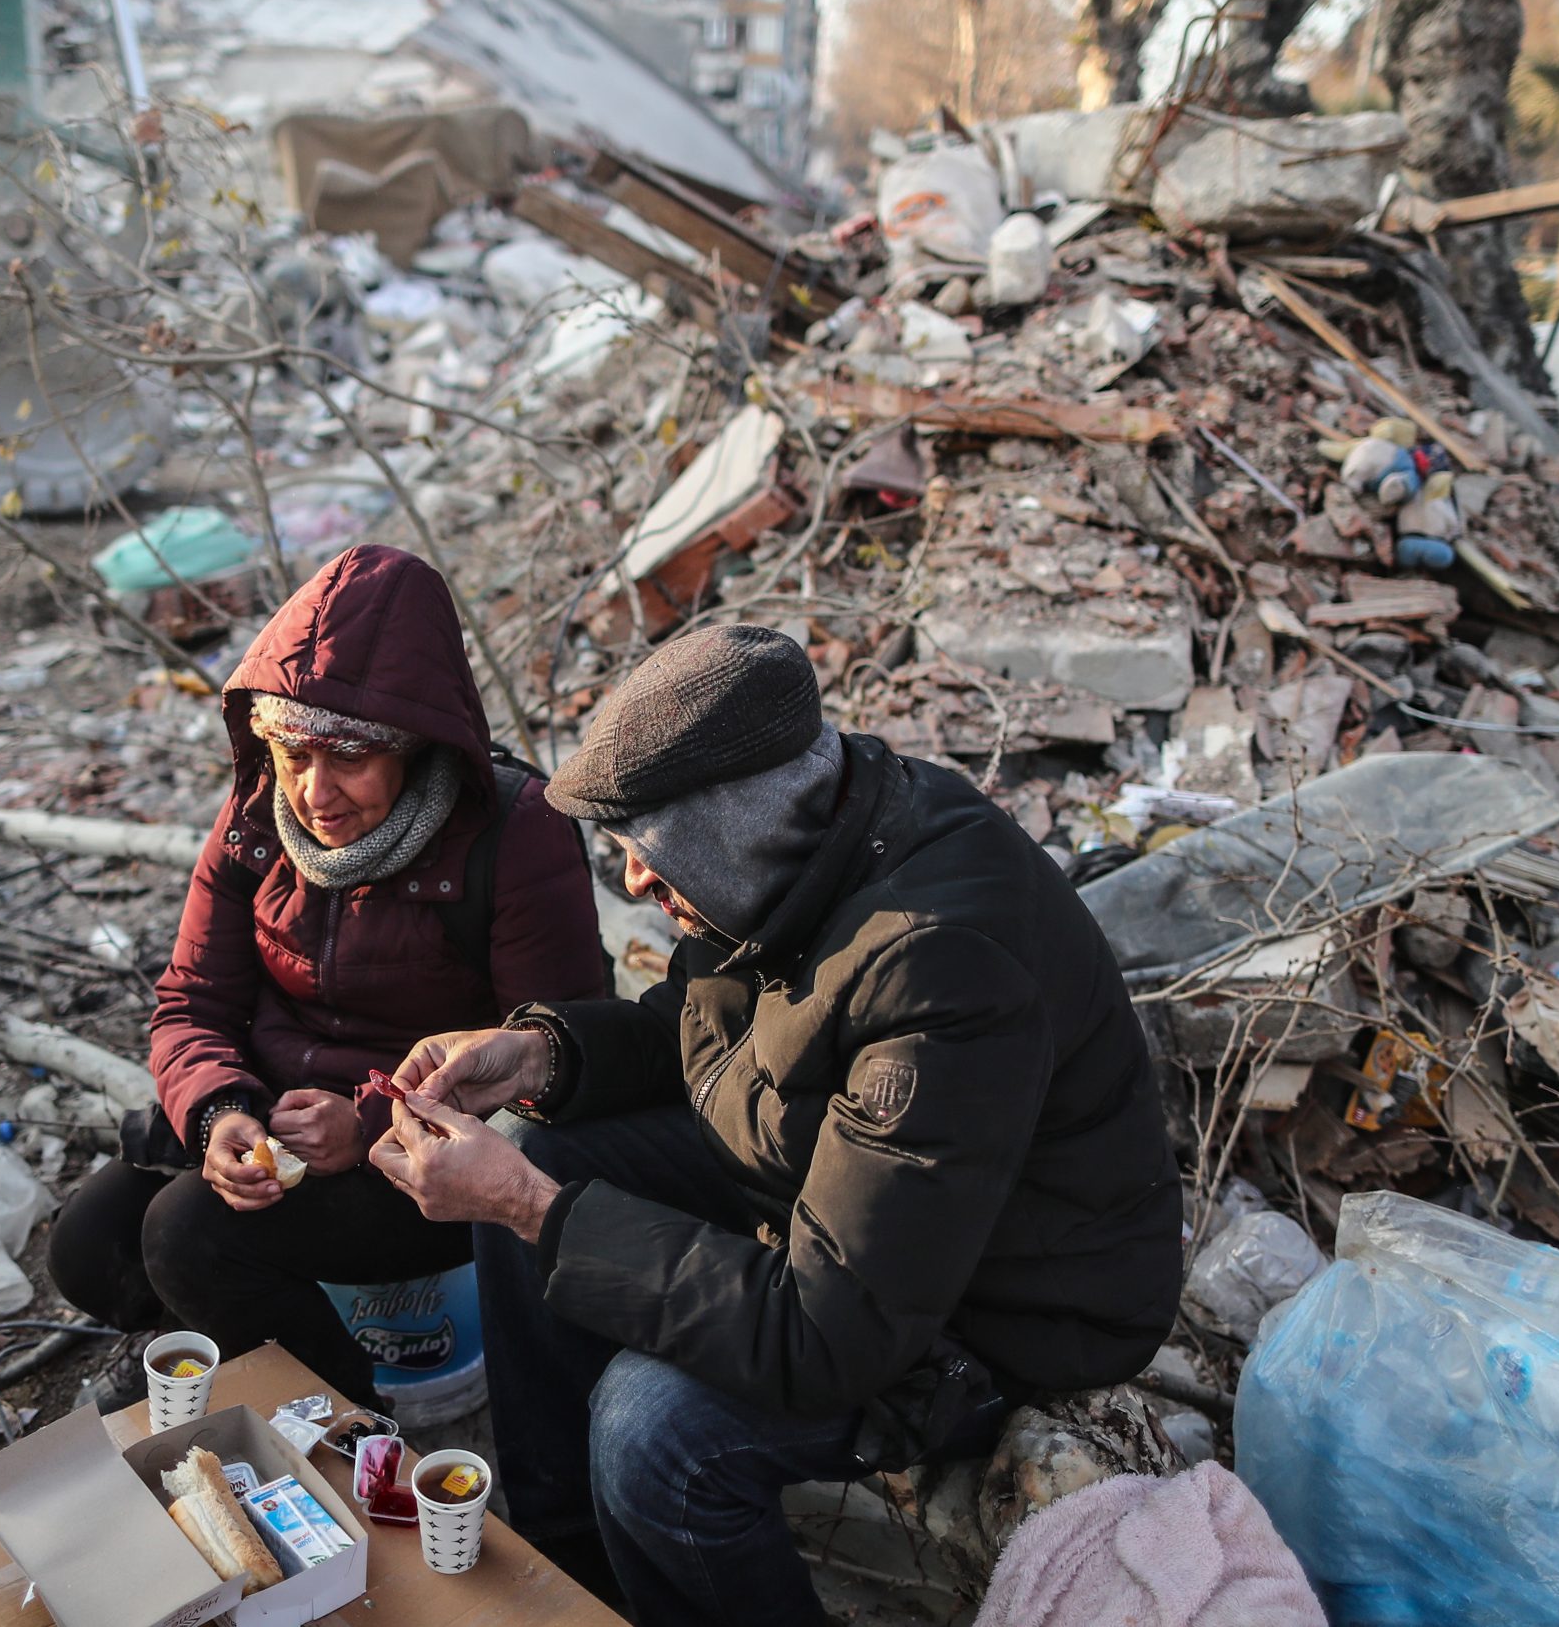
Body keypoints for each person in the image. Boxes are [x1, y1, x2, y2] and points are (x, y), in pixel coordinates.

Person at [370, 623, 1183, 1627]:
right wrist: (542, 1054)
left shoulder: (939, 959)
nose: (632, 883)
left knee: (652, 1426)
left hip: (1007, 1305)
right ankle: (570, 1579)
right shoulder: (806, 849)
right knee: (551, 1147)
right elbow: (711, 1031)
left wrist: (533, 1207)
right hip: (845, 1198)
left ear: (736, 825)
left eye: (649, 853)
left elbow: (825, 1335)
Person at [49, 545, 607, 1411]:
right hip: (277, 1119)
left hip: (425, 1157)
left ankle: (350, 1413)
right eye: (293, 751)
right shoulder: (256, 815)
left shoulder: (512, 832)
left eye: (348, 754)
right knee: (89, 1243)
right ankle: (225, 1333)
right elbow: (191, 1000)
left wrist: (373, 1117)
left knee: (187, 1234)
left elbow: (559, 1054)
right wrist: (220, 1112)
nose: (315, 792)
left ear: (417, 745)